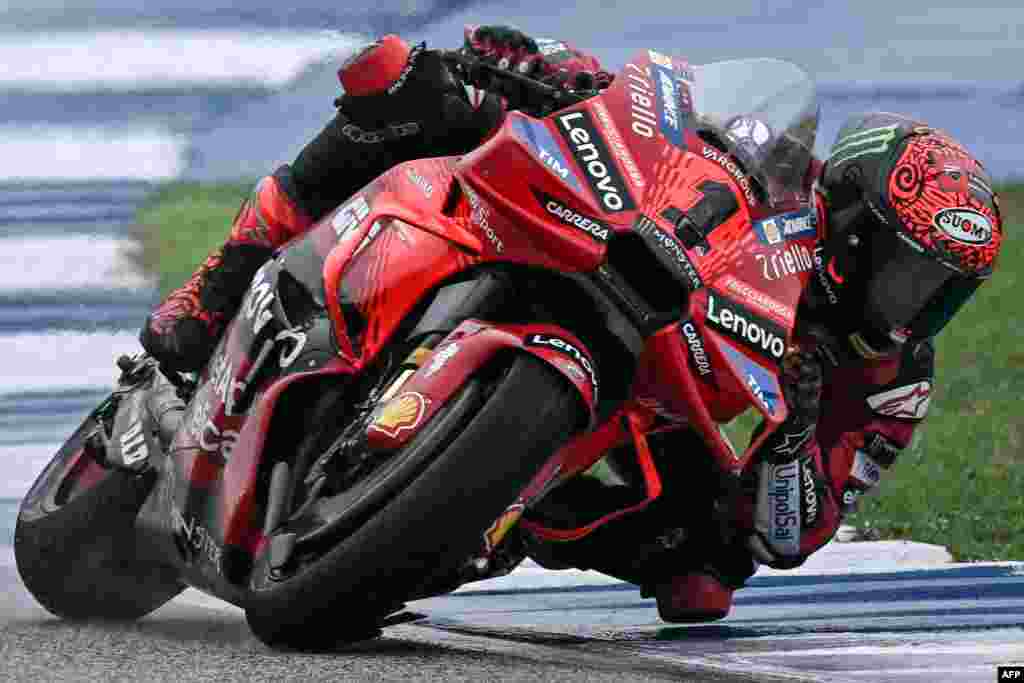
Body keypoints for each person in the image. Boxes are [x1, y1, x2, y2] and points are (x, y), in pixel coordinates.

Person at [139, 27, 1004, 623]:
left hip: (675, 414)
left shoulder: (895, 385)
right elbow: (669, 123)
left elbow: (790, 535)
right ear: (852, 218)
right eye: (910, 274)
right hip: (620, 257)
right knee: (412, 93)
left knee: (703, 580)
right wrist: (553, 69)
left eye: (942, 291)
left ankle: (476, 517)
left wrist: (795, 431)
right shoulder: (787, 181)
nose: (915, 307)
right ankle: (215, 289)